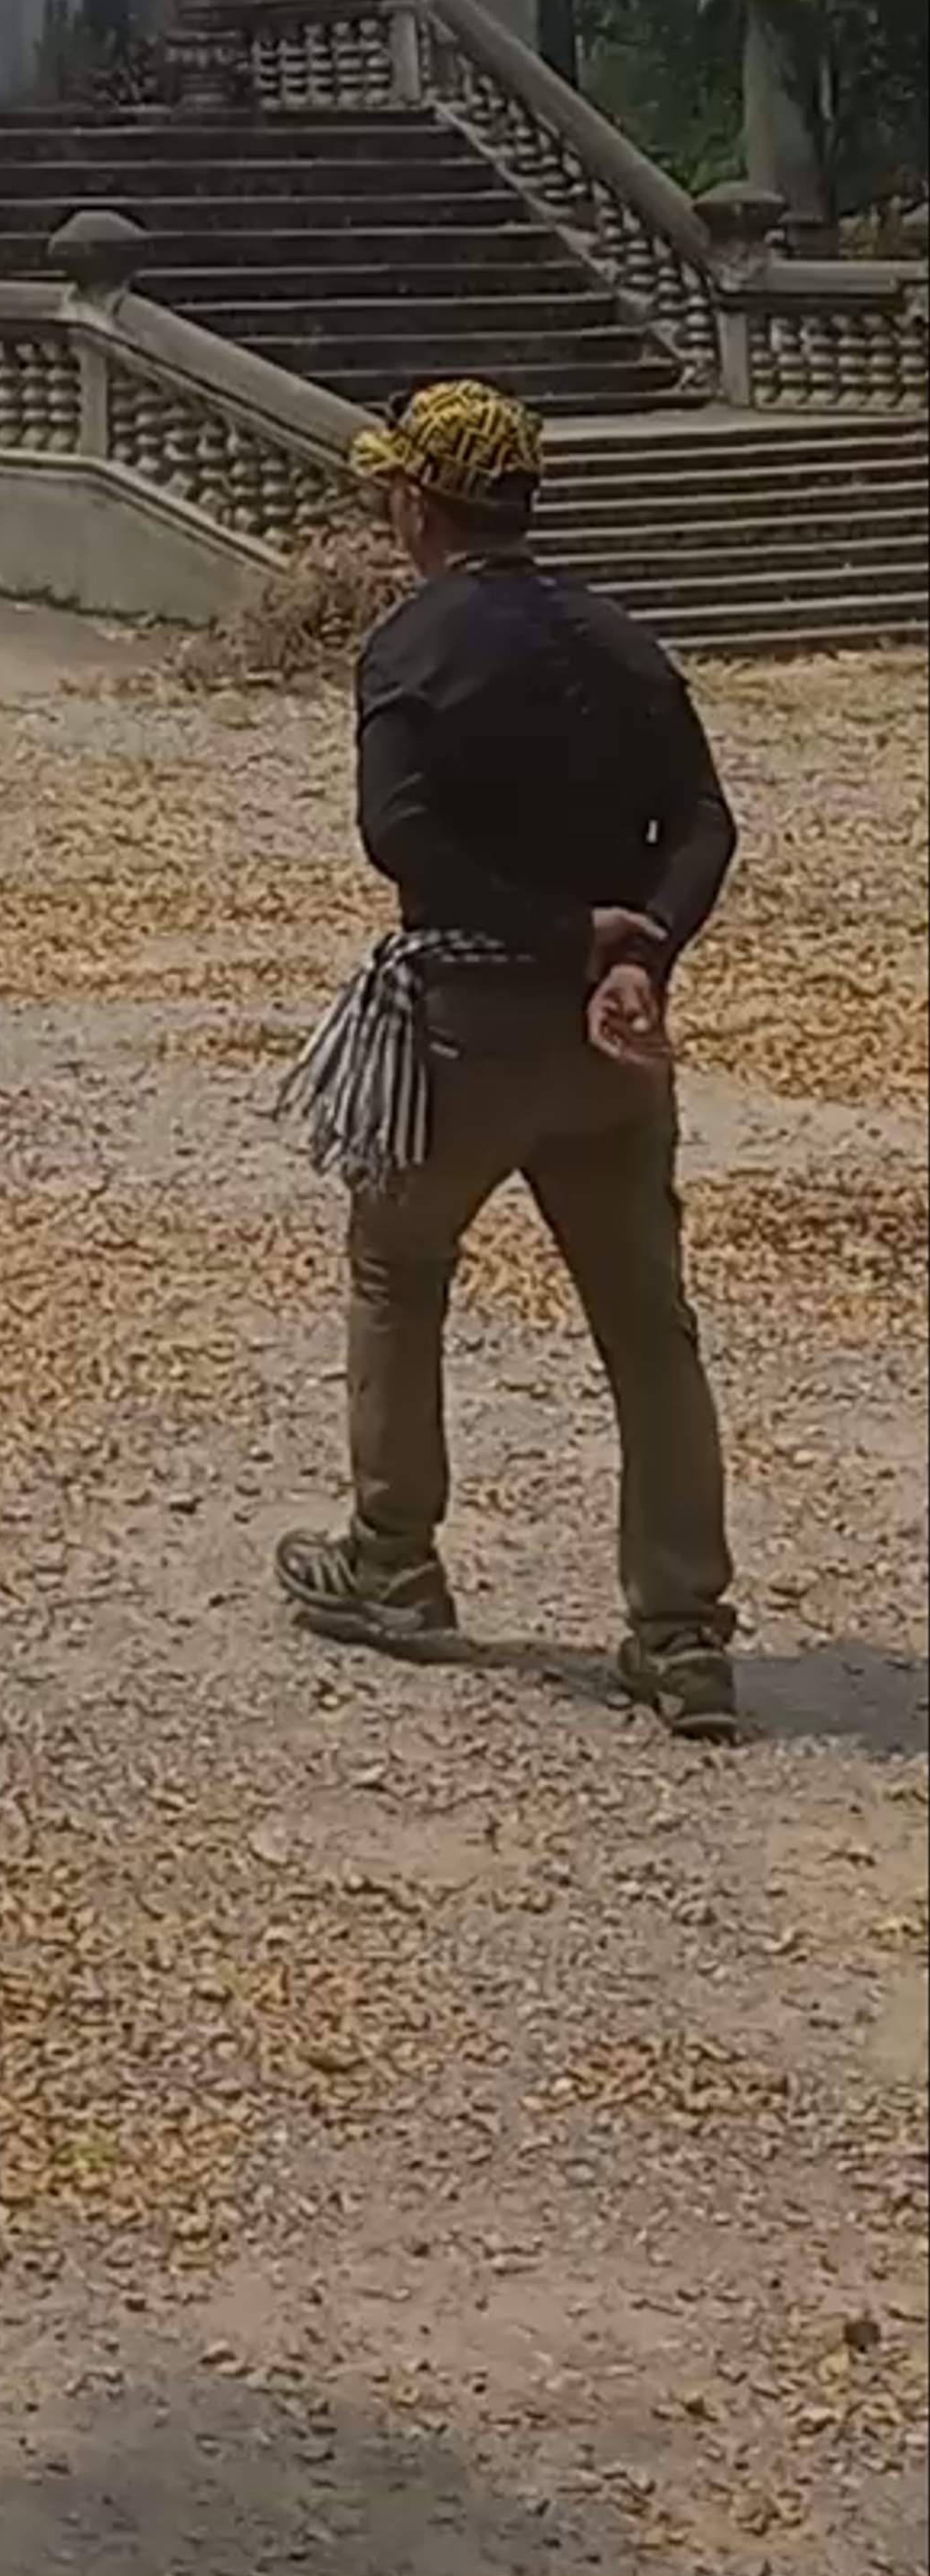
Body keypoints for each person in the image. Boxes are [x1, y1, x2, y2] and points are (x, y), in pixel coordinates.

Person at [276, 376, 742, 1740]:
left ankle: (395, 1557)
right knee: (649, 1328)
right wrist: (641, 946)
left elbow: (400, 835)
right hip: (613, 1038)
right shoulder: (619, 642)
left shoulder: (412, 646)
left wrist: (547, 926)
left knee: (398, 1265)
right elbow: (706, 819)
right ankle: (682, 1629)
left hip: (465, 1028)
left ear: (417, 501)